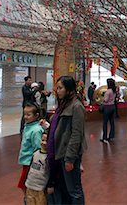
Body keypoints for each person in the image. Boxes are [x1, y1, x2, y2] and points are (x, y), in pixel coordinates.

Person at [47, 76, 86, 204]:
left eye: (60, 88)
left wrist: (70, 158)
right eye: (56, 88)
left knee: (74, 190)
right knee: (65, 188)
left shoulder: (76, 106)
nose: (57, 91)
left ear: (69, 89)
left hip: (68, 155)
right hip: (60, 153)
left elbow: (76, 134)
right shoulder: (64, 104)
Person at [17, 103, 44, 201]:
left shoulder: (36, 130)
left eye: (29, 115)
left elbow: (37, 148)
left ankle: (29, 200)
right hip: (26, 161)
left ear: (36, 115)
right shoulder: (27, 126)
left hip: (31, 162)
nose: (26, 117)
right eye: (25, 114)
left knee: (25, 184)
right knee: (25, 184)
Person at [25, 130, 50, 205]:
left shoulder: (48, 158)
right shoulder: (35, 154)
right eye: (42, 140)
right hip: (30, 185)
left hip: (41, 188)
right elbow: (30, 168)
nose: (44, 143)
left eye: (47, 141)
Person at [100, 78, 117, 143]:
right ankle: (111, 136)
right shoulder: (114, 91)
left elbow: (106, 100)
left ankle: (104, 138)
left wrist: (103, 99)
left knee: (105, 123)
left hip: (107, 107)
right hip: (113, 106)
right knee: (112, 122)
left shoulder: (108, 91)